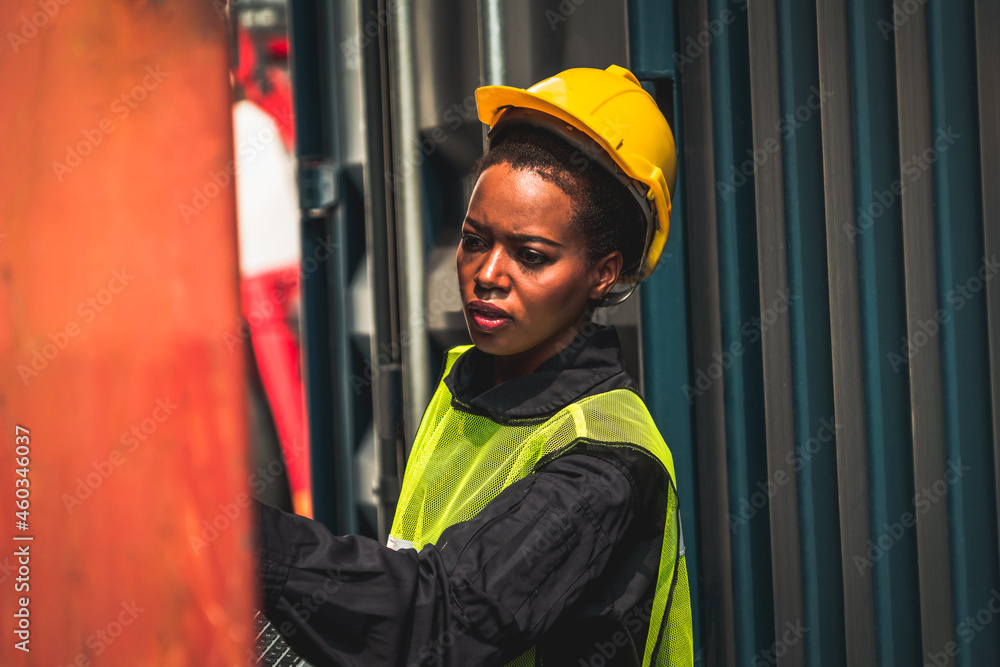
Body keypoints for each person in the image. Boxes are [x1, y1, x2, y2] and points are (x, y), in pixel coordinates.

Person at [254, 64, 693, 667]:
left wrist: (247, 542)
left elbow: (442, 622)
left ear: (603, 273)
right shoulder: (473, 385)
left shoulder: (606, 464)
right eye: (474, 239)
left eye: (531, 255)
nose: (486, 275)